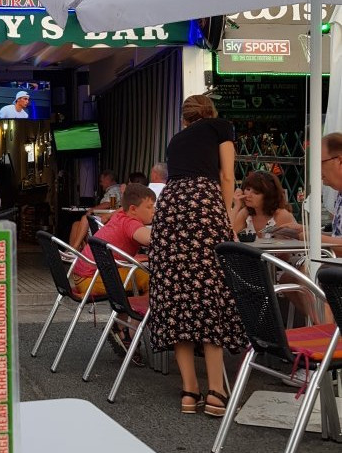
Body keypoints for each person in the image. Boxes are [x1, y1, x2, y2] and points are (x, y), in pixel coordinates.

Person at [148, 94, 246, 417]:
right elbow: (227, 176)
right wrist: (226, 216)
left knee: (177, 296)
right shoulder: (220, 127)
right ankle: (216, 392)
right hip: (202, 204)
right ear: (210, 111)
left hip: (170, 207)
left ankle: (189, 392)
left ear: (185, 118)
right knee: (208, 293)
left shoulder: (176, 140)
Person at [70, 183, 155, 362]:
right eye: (149, 207)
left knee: (138, 276)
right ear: (133, 209)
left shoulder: (121, 215)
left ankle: (122, 327)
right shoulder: (130, 223)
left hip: (85, 274)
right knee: (153, 282)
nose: (154, 210)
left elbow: (116, 213)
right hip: (91, 279)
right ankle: (129, 331)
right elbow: (151, 239)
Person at [67, 169, 122, 250]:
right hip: (105, 219)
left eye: (101, 181)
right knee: (76, 224)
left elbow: (110, 204)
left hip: (107, 221)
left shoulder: (114, 190)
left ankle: (74, 249)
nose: (100, 184)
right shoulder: (115, 190)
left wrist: (92, 210)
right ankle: (74, 250)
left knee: (84, 219)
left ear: (108, 179)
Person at [230, 169, 295, 238]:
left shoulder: (281, 215)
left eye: (256, 193)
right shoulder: (246, 212)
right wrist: (236, 206)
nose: (248, 195)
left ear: (268, 196)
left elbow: (289, 243)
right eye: (248, 189)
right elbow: (227, 232)